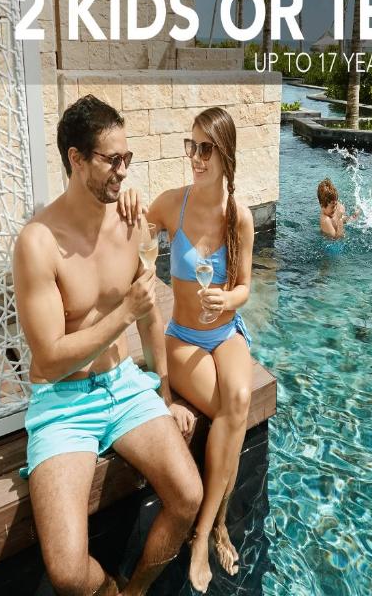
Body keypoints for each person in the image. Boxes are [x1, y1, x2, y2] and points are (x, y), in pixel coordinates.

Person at [12, 95, 202, 596]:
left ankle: (135, 589)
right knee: (69, 573)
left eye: (127, 160)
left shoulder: (129, 221)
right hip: (63, 405)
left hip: (123, 385)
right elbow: (50, 357)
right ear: (76, 159)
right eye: (111, 160)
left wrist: (164, 396)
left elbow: (149, 316)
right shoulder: (38, 242)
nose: (122, 172)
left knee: (188, 495)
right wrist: (125, 312)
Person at [143, 106, 255, 594]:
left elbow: (246, 286)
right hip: (184, 338)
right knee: (229, 411)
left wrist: (228, 298)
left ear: (225, 154)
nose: (195, 157)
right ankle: (213, 528)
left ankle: (206, 529)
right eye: (191, 146)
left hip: (227, 332)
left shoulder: (240, 217)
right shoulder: (173, 205)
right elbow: (134, 233)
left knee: (240, 400)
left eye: (205, 148)